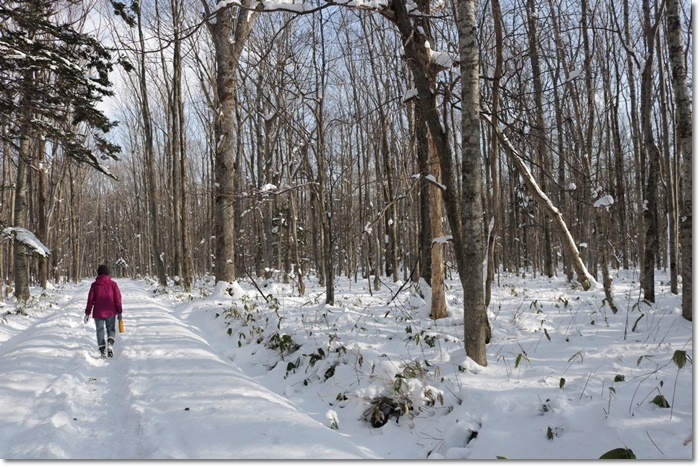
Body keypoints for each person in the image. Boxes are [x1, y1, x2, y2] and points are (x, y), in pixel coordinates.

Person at [84, 264, 123, 358]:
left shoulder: (94, 285)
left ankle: (102, 351)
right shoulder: (113, 284)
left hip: (98, 312)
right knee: (111, 329)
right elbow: (117, 298)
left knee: (100, 331)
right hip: (110, 312)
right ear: (107, 273)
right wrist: (119, 311)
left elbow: (90, 300)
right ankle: (110, 344)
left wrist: (87, 313)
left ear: (98, 273)